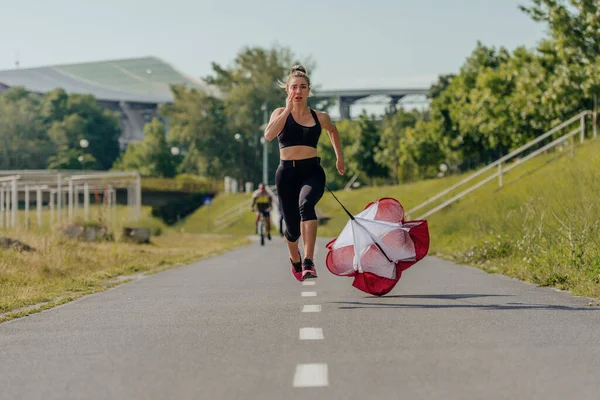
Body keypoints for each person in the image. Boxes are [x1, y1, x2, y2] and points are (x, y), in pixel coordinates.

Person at [263, 64, 345, 281]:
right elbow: (269, 135)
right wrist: (288, 110)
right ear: (287, 90)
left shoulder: (320, 117)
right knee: (291, 230)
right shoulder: (280, 113)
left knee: (306, 205)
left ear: (309, 90)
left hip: (312, 172)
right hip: (286, 175)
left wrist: (339, 157)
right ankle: (295, 259)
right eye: (294, 87)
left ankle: (308, 261)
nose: (298, 91)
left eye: (302, 87)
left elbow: (333, 131)